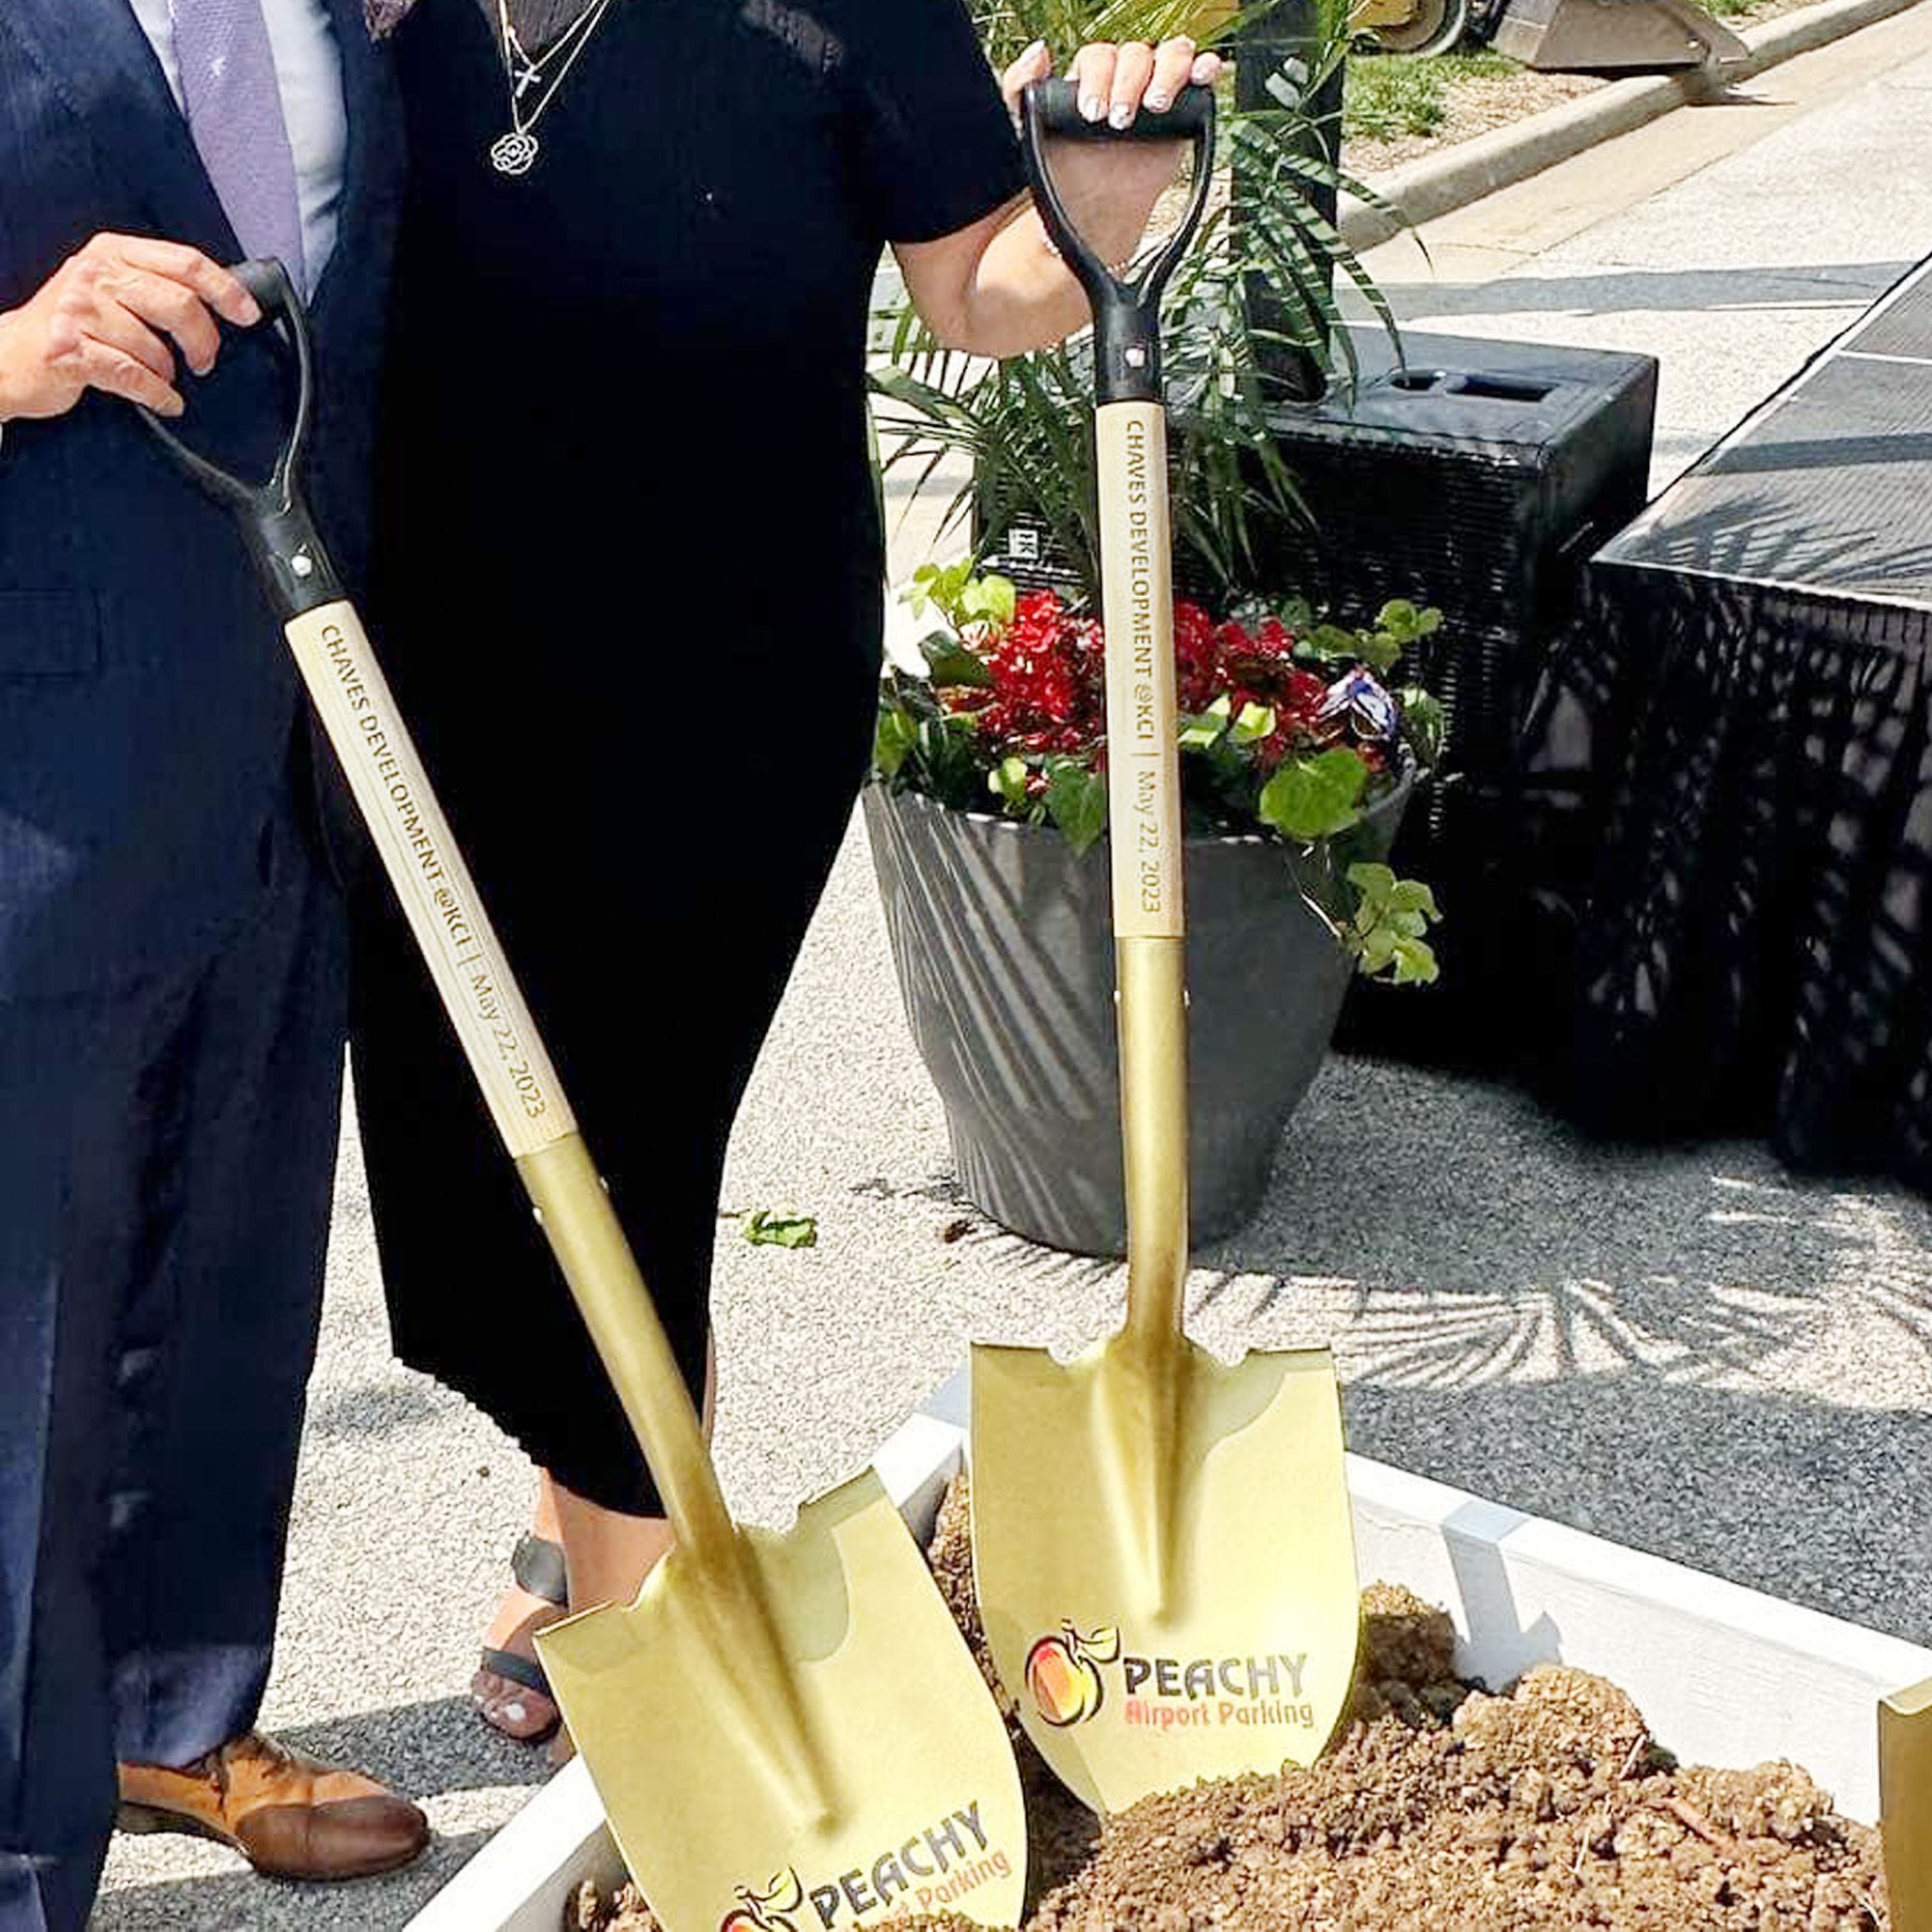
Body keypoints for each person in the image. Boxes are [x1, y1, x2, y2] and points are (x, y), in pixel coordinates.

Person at [351, 0, 1219, 1751]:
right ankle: (582, 1493)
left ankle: (656, 1627)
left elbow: (979, 288)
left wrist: (1105, 198)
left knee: (631, 1137)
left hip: (720, 677)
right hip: (419, 667)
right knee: (486, 1128)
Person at [0, 4, 427, 1924]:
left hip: (292, 738)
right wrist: (17, 352)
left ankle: (177, 1711)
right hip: (38, 771)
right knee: (28, 1351)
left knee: (233, 1262)